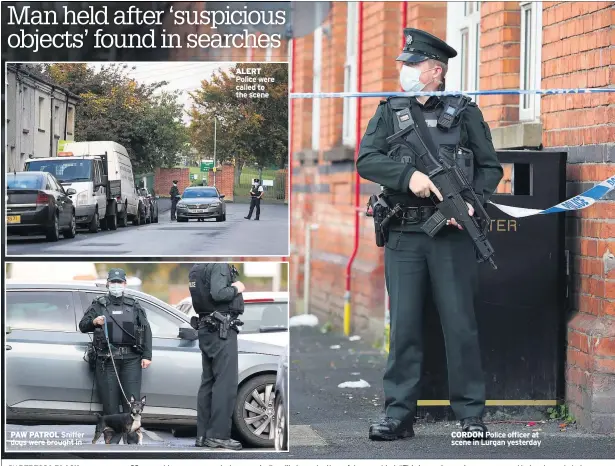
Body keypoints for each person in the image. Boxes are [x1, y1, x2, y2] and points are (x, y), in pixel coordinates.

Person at [356, 28, 504, 441]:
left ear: (436, 71)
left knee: (460, 325)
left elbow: (490, 167)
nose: (403, 71)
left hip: (452, 235)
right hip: (404, 233)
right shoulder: (390, 111)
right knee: (403, 327)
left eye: (412, 64)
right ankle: (399, 416)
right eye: (404, 64)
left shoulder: (465, 113)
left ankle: (471, 416)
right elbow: (367, 160)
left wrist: (472, 202)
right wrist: (410, 176)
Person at [79, 268, 153, 444]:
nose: (116, 285)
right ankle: (111, 445)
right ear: (108, 284)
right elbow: (83, 325)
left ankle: (132, 444)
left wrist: (147, 355)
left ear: (125, 284)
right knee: (110, 406)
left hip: (131, 360)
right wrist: (94, 322)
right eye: (113, 282)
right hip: (107, 360)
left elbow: (146, 329)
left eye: (119, 282)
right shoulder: (99, 304)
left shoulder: (134, 304)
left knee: (133, 405)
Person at [189, 263, 246, 450]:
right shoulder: (219, 266)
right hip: (221, 329)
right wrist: (237, 287)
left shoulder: (197, 267)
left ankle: (203, 436)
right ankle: (219, 436)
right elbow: (219, 293)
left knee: (208, 383)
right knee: (225, 383)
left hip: (207, 327)